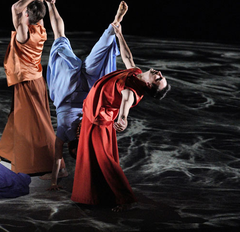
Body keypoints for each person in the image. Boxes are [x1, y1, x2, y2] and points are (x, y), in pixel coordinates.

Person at [71, 21, 171, 212]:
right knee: (91, 157)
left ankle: (125, 198)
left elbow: (125, 99)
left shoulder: (133, 90)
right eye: (161, 75)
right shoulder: (136, 73)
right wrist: (119, 34)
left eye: (159, 79)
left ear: (150, 86)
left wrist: (123, 118)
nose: (158, 73)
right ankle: (97, 195)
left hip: (100, 120)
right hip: (94, 113)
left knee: (104, 159)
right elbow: (127, 56)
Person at [44, 0, 127, 190]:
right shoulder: (72, 133)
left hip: (78, 87)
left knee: (70, 43)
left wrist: (55, 181)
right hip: (79, 87)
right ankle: (51, 5)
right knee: (61, 37)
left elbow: (59, 158)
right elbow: (58, 158)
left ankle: (112, 28)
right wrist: (54, 182)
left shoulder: (77, 132)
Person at [0, 0, 65, 175]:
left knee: (37, 123)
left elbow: (14, 8)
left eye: (25, 12)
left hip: (27, 82)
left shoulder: (23, 33)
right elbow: (33, 11)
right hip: (37, 80)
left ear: (27, 15)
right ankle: (6, 150)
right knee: (17, 114)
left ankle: (55, 164)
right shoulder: (40, 30)